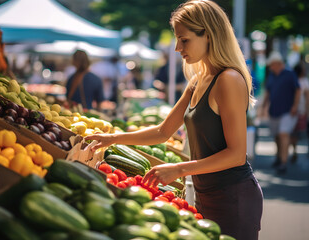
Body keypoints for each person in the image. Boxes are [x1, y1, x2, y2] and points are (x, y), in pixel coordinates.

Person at [86, 1, 263, 239]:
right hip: (206, 193)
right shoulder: (197, 81)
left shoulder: (228, 80)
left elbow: (236, 154)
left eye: (185, 39)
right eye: (177, 39)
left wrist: (179, 169)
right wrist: (112, 138)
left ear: (208, 35)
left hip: (233, 197)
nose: (178, 48)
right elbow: (163, 131)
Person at [261, 51, 301, 173]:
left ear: (277, 63)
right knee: (277, 136)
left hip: (288, 111)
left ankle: (283, 162)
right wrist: (263, 106)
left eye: (272, 65)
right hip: (274, 111)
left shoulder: (289, 74)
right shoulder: (272, 75)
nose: (271, 67)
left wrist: (295, 106)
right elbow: (268, 91)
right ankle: (279, 157)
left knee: (284, 134)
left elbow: (298, 90)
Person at [290, 63, 309, 162]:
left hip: (292, 110)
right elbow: (307, 98)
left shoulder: (293, 80)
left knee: (293, 132)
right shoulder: (305, 82)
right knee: (298, 132)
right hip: (301, 111)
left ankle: (294, 150)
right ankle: (295, 150)